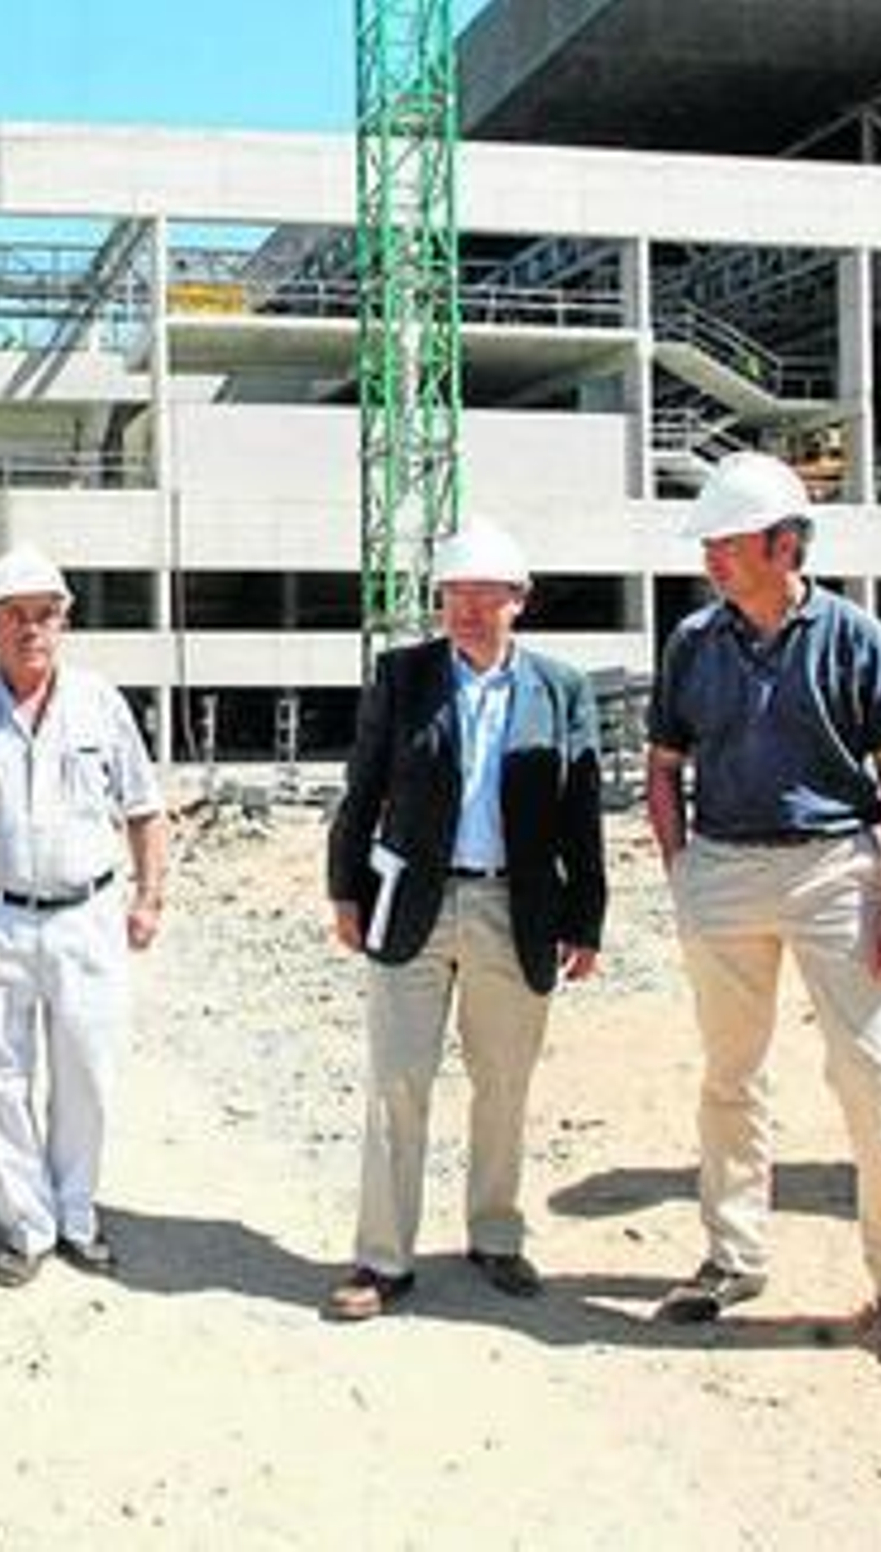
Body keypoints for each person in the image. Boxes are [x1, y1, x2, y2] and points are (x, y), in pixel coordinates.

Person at [646, 449, 881, 1369]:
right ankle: (733, 1257)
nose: (709, 561)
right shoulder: (692, 643)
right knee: (732, 1074)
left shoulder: (857, 638)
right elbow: (663, 765)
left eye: (725, 544)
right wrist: (683, 871)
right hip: (723, 871)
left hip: (834, 873)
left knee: (876, 1073)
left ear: (782, 543)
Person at [324, 521, 606, 1320]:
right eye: (455, 596)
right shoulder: (403, 677)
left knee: (504, 1084)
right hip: (412, 903)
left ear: (520, 601)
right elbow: (364, 787)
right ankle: (382, 1260)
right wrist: (345, 891)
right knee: (396, 1085)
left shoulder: (560, 690)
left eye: (487, 596)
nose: (470, 611)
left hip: (515, 907)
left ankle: (495, 1236)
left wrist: (585, 917)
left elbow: (580, 814)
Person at [0, 546, 168, 1289]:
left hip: (88, 915)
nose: (32, 630)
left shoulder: (100, 703)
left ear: (64, 623)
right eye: (14, 617)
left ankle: (77, 1214)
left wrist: (149, 897)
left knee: (88, 1071)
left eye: (45, 615)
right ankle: (27, 1226)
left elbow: (145, 807)